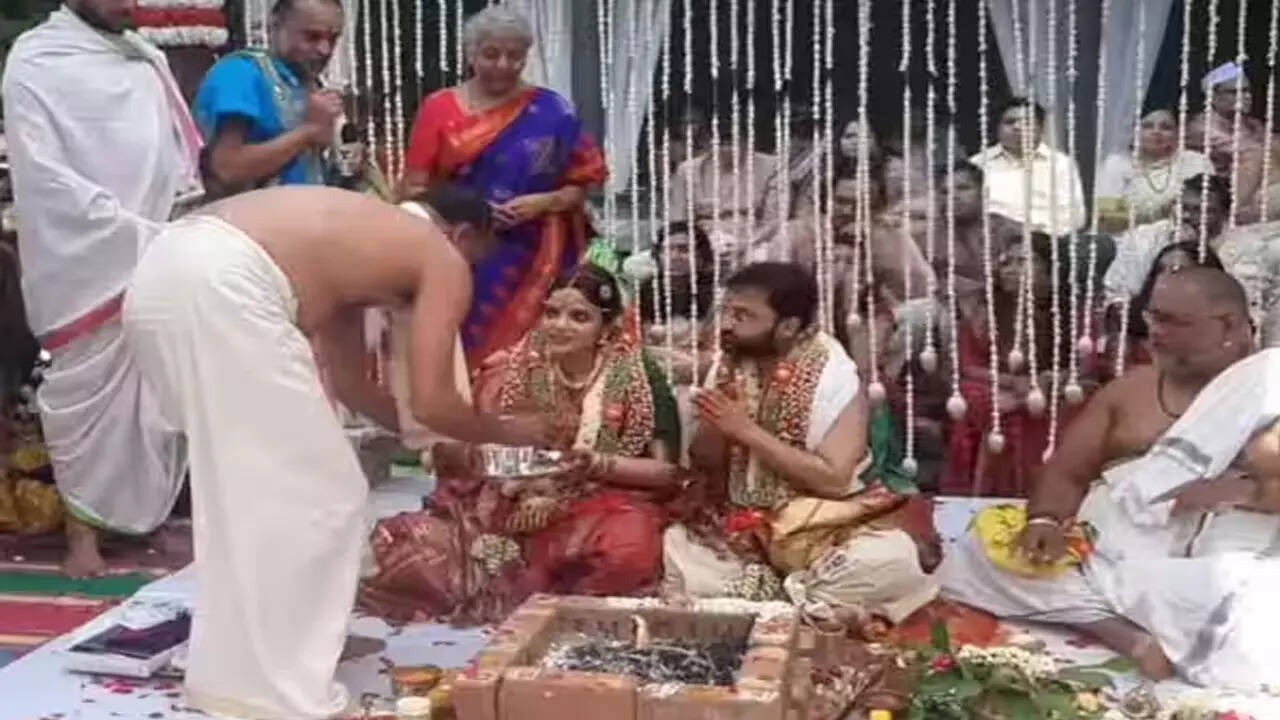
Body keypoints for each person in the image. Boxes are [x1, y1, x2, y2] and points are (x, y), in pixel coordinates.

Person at [120, 185, 549, 718]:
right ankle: (264, 691)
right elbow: (434, 402)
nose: (470, 276)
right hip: (221, 286)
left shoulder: (363, 253)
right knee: (317, 496)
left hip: (162, 276)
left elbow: (353, 387)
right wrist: (513, 432)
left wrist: (438, 443)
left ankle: (269, 659)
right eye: (476, 260)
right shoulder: (441, 256)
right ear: (462, 235)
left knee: (259, 493)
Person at [942, 267, 1280, 690]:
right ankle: (1124, 633)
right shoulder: (1132, 388)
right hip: (1107, 546)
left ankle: (1125, 609)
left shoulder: (1269, 385)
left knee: (1247, 592)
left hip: (1206, 555)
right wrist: (1045, 520)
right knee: (981, 548)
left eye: (1172, 321)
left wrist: (1244, 491)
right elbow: (1068, 469)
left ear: (1228, 325)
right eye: (1152, 317)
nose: (1155, 331)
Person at [361, 262, 685, 624]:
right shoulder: (510, 370)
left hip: (605, 498)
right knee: (408, 546)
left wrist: (595, 464)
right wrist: (520, 481)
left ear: (607, 328)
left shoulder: (637, 376)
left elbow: (666, 473)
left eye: (579, 317)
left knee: (625, 550)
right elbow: (474, 453)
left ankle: (558, 602)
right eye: (552, 313)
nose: (560, 325)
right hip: (509, 500)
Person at [3, 0, 202, 576]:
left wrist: (166, 218)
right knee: (79, 391)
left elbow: (175, 152)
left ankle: (143, 517)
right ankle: (81, 534)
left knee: (159, 389)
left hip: (155, 242)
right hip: (82, 255)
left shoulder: (143, 57)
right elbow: (40, 170)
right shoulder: (37, 59)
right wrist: (122, 226)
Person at [662, 263, 938, 632]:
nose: (727, 325)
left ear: (788, 326)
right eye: (727, 312)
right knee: (674, 547)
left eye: (743, 316)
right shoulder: (731, 364)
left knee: (891, 562)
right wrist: (719, 427)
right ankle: (811, 609)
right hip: (745, 529)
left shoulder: (833, 375)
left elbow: (834, 480)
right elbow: (704, 462)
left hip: (826, 528)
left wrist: (746, 431)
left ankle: (763, 605)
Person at [398, 6, 605, 366]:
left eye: (515, 56)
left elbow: (581, 184)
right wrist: (472, 209)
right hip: (462, 250)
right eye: (491, 54)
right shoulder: (439, 108)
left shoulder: (553, 110)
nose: (504, 65)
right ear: (471, 54)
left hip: (537, 256)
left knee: (529, 357)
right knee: (457, 350)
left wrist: (544, 202)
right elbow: (414, 190)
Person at [940, 235, 1107, 497]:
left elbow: (1086, 367)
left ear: (1051, 271)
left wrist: (1050, 379)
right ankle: (988, 494)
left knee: (1074, 399)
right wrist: (1014, 384)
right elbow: (969, 366)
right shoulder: (986, 311)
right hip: (1001, 387)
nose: (1010, 270)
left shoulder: (1075, 313)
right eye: (1006, 263)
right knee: (975, 396)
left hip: (1055, 389)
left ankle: (1050, 491)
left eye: (1022, 262)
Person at [1104, 174, 1280, 347]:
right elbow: (1117, 296)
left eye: (1202, 210)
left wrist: (1192, 250)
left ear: (1225, 214)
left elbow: (1239, 309)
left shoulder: (1249, 249)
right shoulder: (1144, 238)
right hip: (1145, 329)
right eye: (1183, 207)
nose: (1187, 216)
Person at [193, 0, 344, 195]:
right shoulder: (240, 73)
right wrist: (308, 132)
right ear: (275, 25)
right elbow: (227, 168)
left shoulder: (308, 83)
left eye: (333, 39)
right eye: (312, 36)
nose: (325, 49)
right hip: (248, 213)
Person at [669, 110, 781, 266]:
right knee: (639, 266)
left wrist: (746, 244)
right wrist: (700, 245)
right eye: (721, 141)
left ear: (747, 141)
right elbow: (678, 220)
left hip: (753, 241)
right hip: (700, 241)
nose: (727, 148)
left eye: (733, 141)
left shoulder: (772, 166)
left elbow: (775, 219)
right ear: (709, 142)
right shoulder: (687, 170)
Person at [971, 97, 1086, 236]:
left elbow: (1075, 217)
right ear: (998, 129)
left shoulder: (1060, 164)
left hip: (1048, 241)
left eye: (1027, 122)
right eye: (1009, 122)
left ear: (1041, 129)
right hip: (994, 242)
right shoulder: (978, 164)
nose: (1017, 127)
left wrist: (1034, 233)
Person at [1185, 62, 1280, 223]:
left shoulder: (1251, 123)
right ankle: (1234, 215)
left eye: (1247, 90)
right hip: (1222, 192)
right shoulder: (1201, 127)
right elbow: (1246, 150)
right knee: (1256, 154)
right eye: (1235, 92)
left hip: (1260, 187)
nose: (1246, 96)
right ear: (1213, 98)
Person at [1096, 107, 1211, 232]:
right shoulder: (1117, 163)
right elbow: (1105, 216)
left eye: (1166, 127)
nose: (1157, 132)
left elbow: (1205, 210)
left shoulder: (1193, 161)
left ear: (1177, 132)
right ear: (1134, 131)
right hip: (1125, 237)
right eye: (1147, 126)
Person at [1121, 241, 1225, 368]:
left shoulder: (1222, 328)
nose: (1165, 277)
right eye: (1160, 270)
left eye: (1177, 271)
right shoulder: (1132, 322)